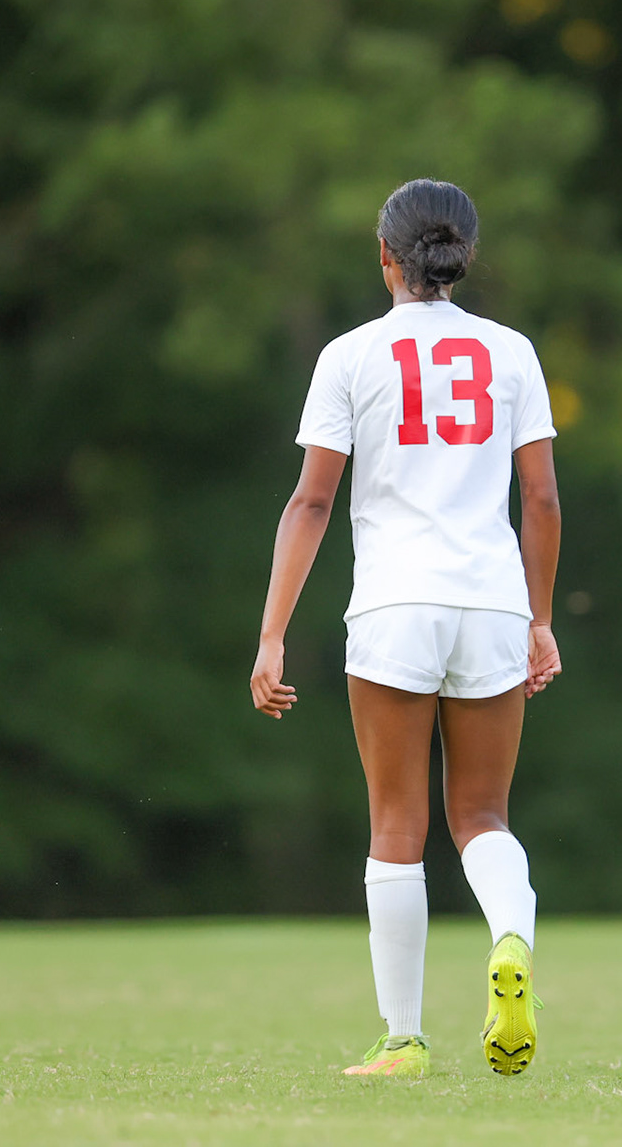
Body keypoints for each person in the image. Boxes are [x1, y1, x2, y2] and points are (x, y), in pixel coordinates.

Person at [248, 179, 563, 1077]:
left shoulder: (351, 356)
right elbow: (539, 498)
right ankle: (510, 938)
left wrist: (273, 634)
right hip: (492, 603)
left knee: (397, 824)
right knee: (483, 814)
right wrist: (538, 619)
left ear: (384, 257)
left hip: (394, 604)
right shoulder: (512, 353)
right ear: (464, 254)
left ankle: (404, 1041)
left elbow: (312, 500)